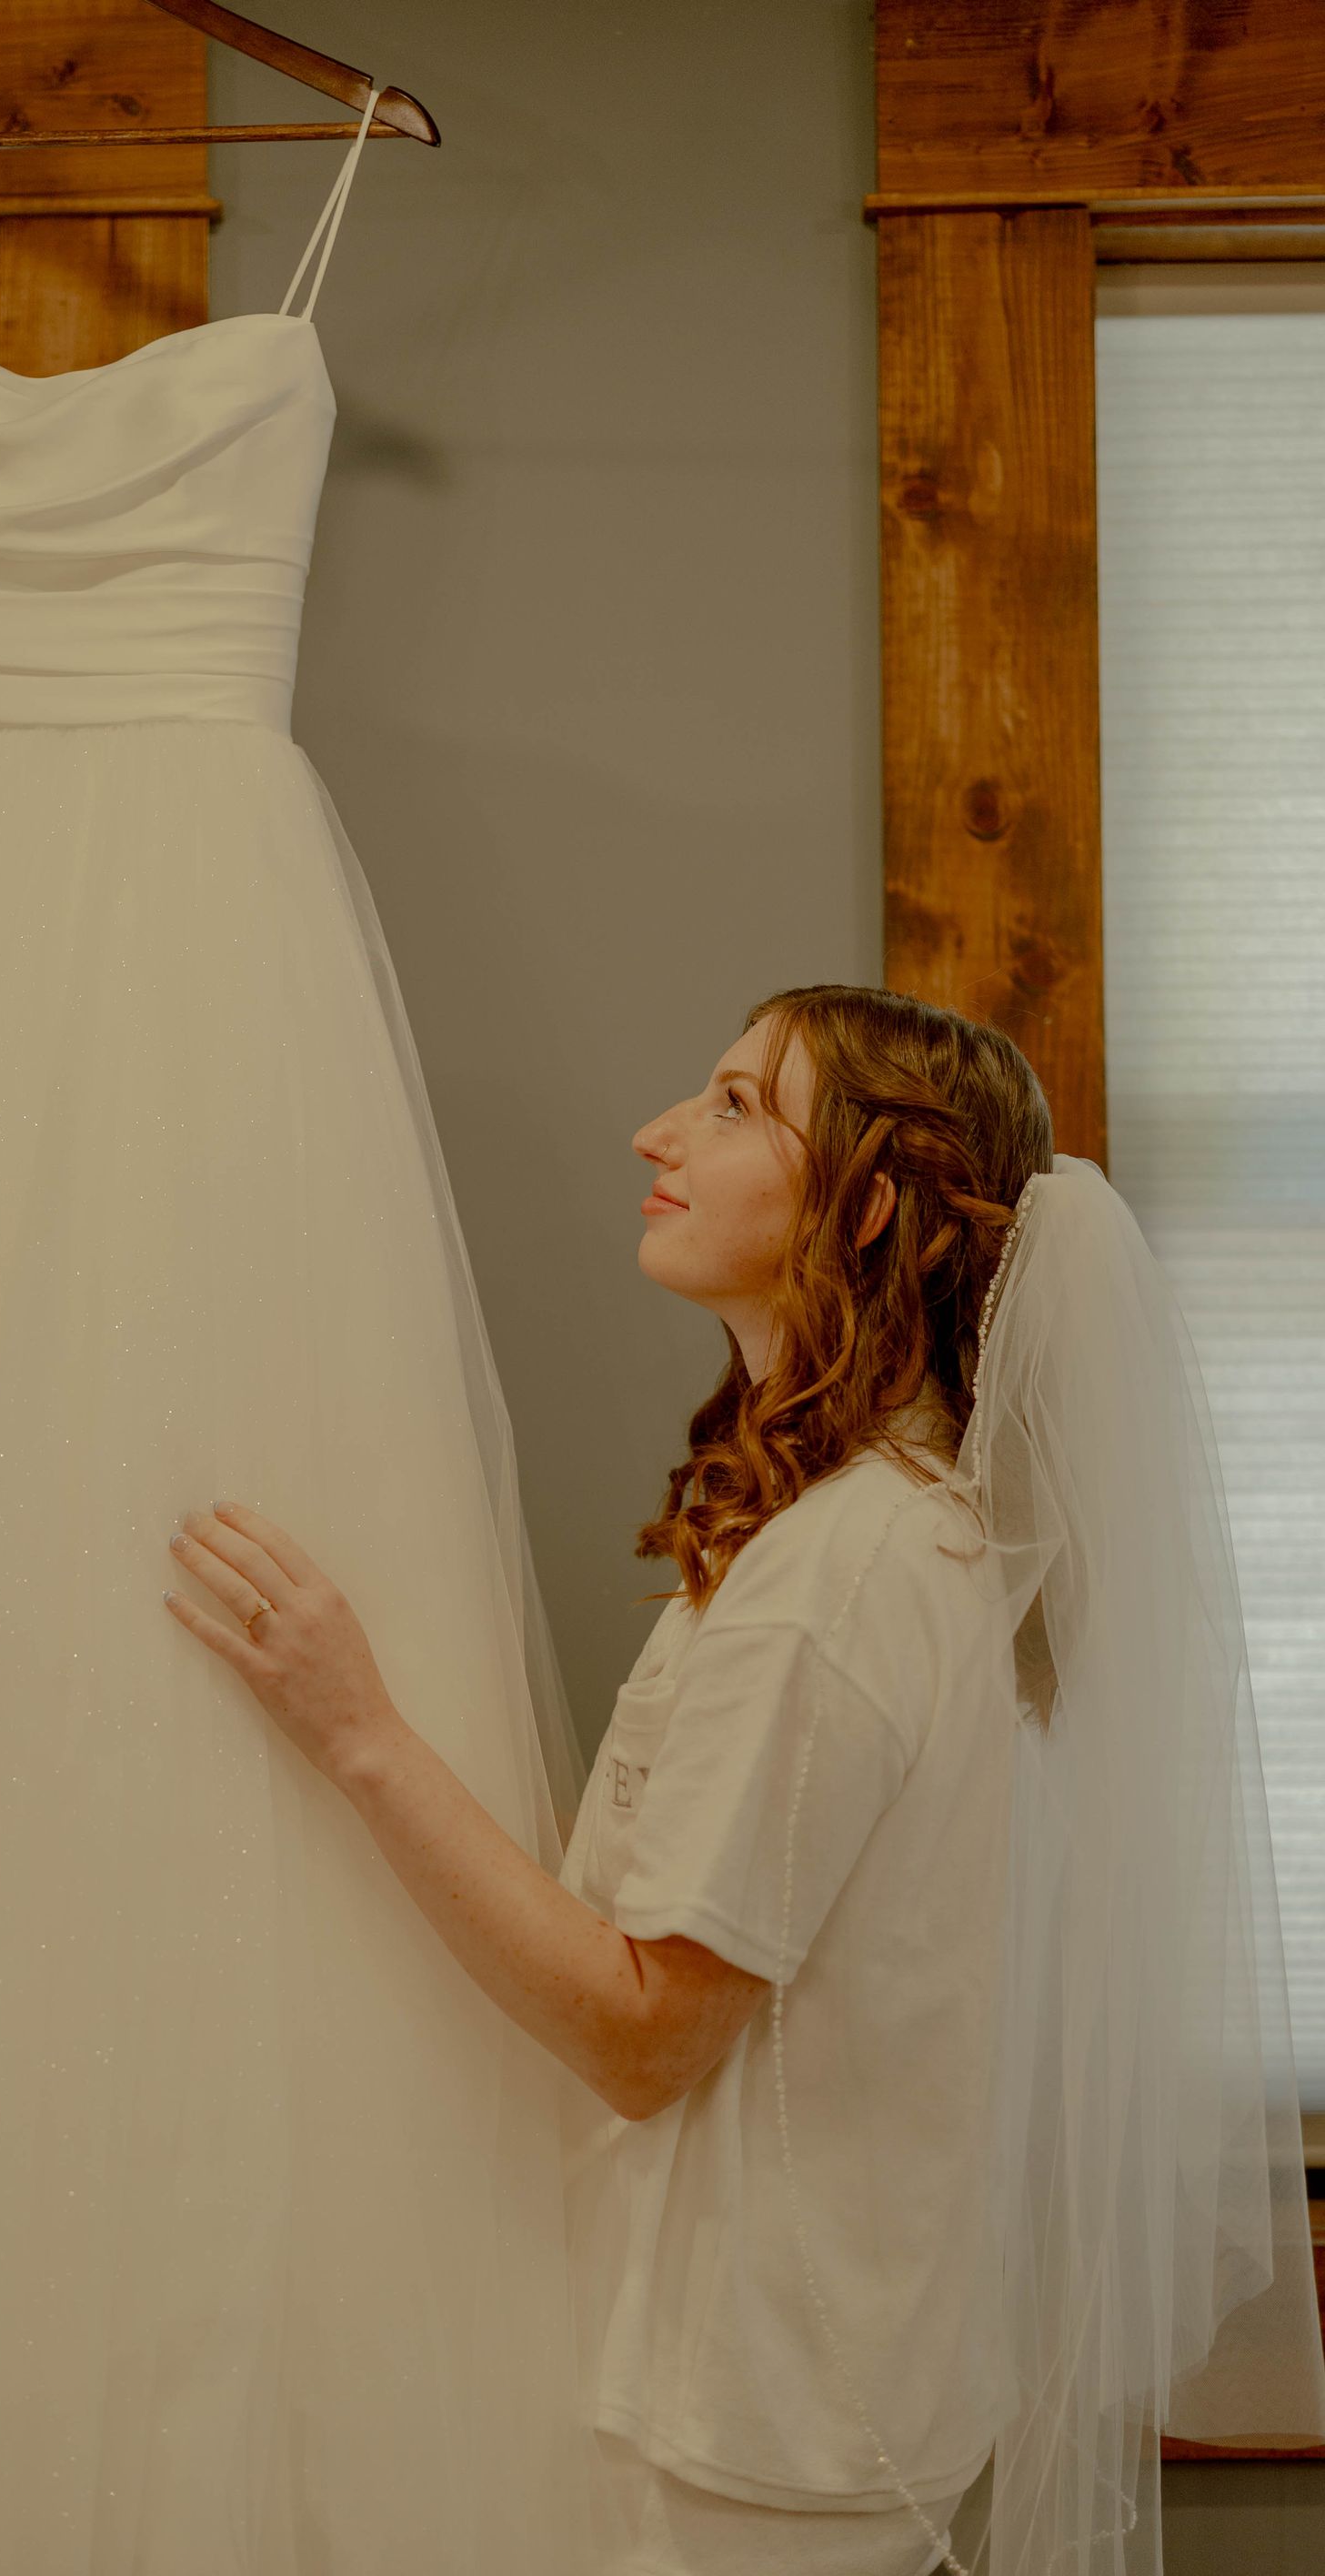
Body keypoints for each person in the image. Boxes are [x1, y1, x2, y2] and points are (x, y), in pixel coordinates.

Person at [166, 981, 1324, 2575]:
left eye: (733, 1106)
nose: (659, 1132)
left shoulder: (843, 1575)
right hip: (802, 2400)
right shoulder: (882, 1526)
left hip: (744, 2438)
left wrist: (355, 1728)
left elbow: (648, 2033)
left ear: (872, 1205)